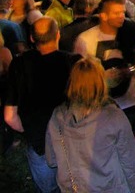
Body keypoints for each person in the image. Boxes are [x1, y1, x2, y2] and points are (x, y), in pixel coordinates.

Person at [4, 17, 81, 193]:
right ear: (58, 35)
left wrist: (30, 130)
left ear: (32, 38)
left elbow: (9, 116)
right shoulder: (73, 62)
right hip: (73, 139)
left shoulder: (19, 64)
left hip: (39, 143)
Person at [45, 57, 135, 193]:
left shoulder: (58, 116)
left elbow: (52, 160)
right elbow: (130, 164)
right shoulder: (114, 117)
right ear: (101, 82)